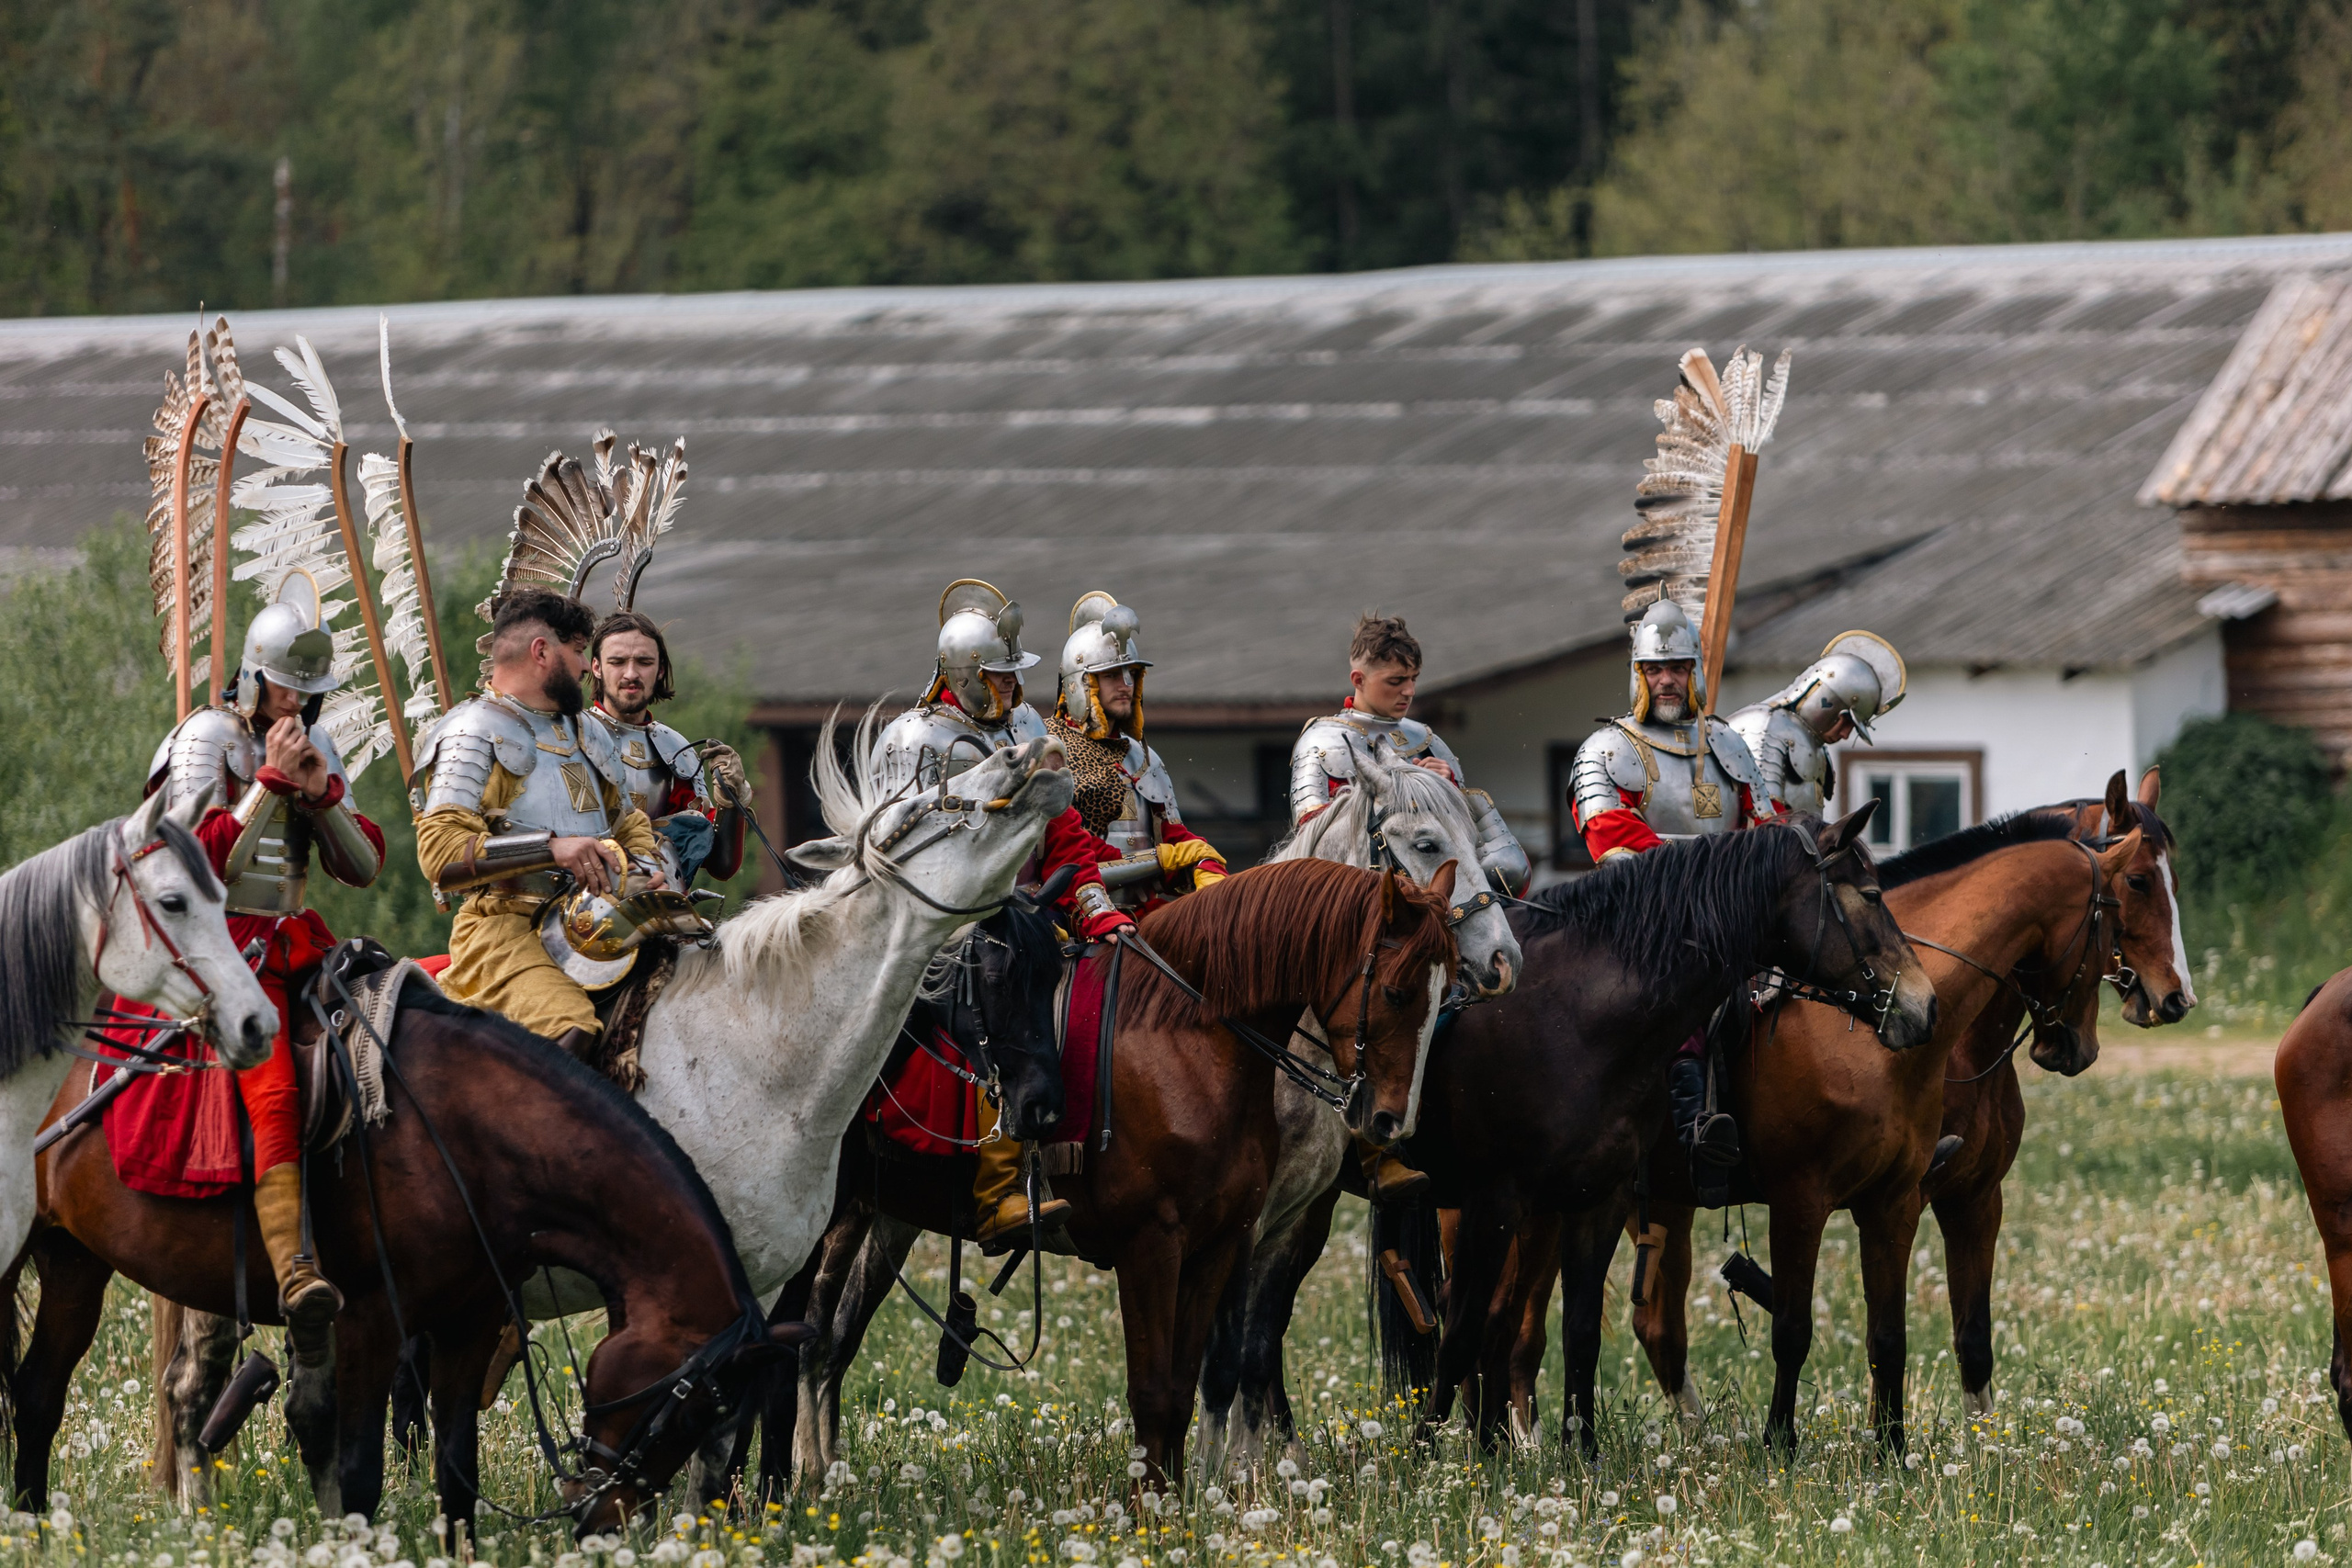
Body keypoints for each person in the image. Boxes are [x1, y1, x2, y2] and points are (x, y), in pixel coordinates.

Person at [137, 587, 386, 1331]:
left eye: (310, 696)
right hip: (217, 943)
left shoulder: (315, 740)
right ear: (253, 676)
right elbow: (188, 868)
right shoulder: (205, 739)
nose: (298, 707)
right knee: (272, 1082)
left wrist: (321, 794)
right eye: (286, 689)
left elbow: (364, 864)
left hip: (296, 936)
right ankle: (294, 1265)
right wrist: (267, 787)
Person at [869, 579, 1128, 1248]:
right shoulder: (915, 736)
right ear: (962, 673)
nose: (1010, 691)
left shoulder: (1028, 728)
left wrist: (1098, 912)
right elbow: (898, 844)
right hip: (938, 913)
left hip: (1023, 910)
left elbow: (1065, 831)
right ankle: (1000, 1190)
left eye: (1015, 678)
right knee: (1004, 988)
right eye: (997, 678)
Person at [1567, 597, 1767, 1203]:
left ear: (1694, 671)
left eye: (1678, 667)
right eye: (1656, 669)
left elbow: (1762, 826)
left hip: (1734, 917)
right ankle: (1692, 1127)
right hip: (1646, 918)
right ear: (1640, 676)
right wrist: (1708, 884)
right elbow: (1611, 839)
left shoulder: (1729, 746)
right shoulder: (1608, 750)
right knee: (1679, 990)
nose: (1668, 680)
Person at [412, 588, 667, 1057]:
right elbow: (439, 852)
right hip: (505, 928)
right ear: (542, 651)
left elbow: (628, 823)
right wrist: (552, 849)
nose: (586, 667)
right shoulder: (472, 731)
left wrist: (647, 865)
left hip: (598, 920)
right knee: (570, 1027)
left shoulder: (587, 730)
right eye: (577, 651)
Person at [1290, 612, 1532, 894]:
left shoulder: (1426, 738)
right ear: (1359, 679)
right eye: (1396, 681)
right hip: (1355, 897)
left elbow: (1465, 839)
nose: (1409, 691)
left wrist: (1446, 788)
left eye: (1414, 679)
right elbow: (1314, 838)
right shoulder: (1324, 741)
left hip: (1443, 894)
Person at [1045, 592, 1227, 918]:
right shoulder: (1050, 747)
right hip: (1073, 913)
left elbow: (1172, 834)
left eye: (1131, 674)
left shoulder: (1144, 758)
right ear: (1080, 684)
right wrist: (1160, 860)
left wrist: (1204, 861)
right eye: (1112, 675)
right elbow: (1067, 849)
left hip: (1140, 909)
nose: (1126, 684)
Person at [587, 609, 752, 887]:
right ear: (596, 667)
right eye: (617, 661)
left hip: (663, 904)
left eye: (644, 662)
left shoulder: (673, 748)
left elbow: (720, 865)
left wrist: (731, 802)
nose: (631, 673)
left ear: (660, 669)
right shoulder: (573, 737)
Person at [1724, 632, 1907, 817]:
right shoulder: (1765, 728)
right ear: (1827, 703)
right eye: (1847, 722)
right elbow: (1763, 822)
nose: (1845, 735)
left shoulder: (1818, 750)